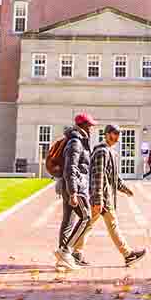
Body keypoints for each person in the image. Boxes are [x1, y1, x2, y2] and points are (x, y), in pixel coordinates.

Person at [73, 125, 148, 268]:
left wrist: (125, 189)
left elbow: (113, 177)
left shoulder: (110, 152)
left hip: (104, 197)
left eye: (118, 135)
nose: (116, 138)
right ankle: (128, 255)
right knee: (109, 225)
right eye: (113, 135)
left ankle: (75, 252)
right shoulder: (102, 152)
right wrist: (98, 199)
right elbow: (98, 176)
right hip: (102, 199)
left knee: (88, 225)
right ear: (106, 135)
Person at [53, 115, 95, 272]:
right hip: (75, 187)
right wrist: (73, 193)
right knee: (87, 218)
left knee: (68, 222)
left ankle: (63, 259)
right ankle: (65, 251)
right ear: (82, 126)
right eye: (89, 126)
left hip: (71, 186)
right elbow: (71, 168)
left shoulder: (78, 141)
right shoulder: (75, 143)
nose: (91, 129)